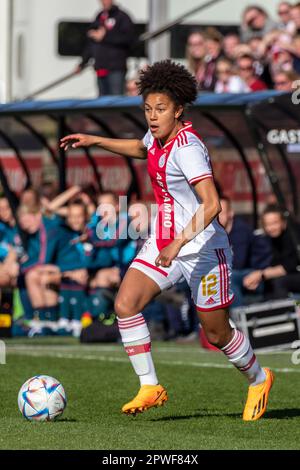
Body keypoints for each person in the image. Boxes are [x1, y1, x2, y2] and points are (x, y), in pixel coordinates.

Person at [61, 60, 274, 421]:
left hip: (204, 249)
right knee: (126, 304)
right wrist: (95, 140)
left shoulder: (188, 148)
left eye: (160, 109)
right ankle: (150, 385)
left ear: (179, 109)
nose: (152, 116)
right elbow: (141, 148)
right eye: (147, 109)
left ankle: (258, 377)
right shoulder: (158, 138)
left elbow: (212, 205)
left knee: (217, 333)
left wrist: (177, 245)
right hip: (164, 241)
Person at [77, 0, 135, 96]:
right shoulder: (99, 16)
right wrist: (83, 63)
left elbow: (129, 39)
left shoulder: (122, 17)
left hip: (116, 68)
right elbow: (91, 43)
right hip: (101, 68)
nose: (104, 2)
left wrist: (106, 36)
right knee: (102, 100)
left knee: (116, 100)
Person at [243, 205, 300, 300]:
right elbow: (273, 264)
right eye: (267, 224)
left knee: (279, 281)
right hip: (291, 274)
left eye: (275, 223)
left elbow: (289, 266)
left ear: (283, 222)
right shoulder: (272, 238)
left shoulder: (293, 235)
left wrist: (261, 275)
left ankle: (284, 312)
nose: (271, 228)